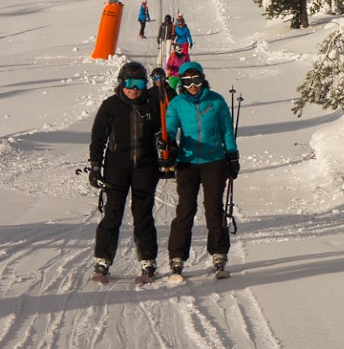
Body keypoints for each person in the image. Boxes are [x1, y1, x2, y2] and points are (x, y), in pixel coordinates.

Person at [163, 61, 239, 277]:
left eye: (196, 80)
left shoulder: (216, 101)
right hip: (187, 162)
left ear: (203, 79)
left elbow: (226, 130)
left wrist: (232, 155)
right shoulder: (177, 103)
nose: (192, 85)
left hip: (214, 160)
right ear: (182, 83)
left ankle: (219, 253)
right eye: (187, 81)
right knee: (185, 209)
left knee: (214, 207)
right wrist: (166, 141)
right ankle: (177, 256)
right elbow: (170, 126)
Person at [87, 61, 162, 280]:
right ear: (121, 82)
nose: (133, 88)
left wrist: (167, 149)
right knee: (112, 212)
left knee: (143, 214)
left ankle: (148, 261)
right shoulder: (110, 105)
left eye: (139, 83)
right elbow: (98, 139)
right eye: (129, 82)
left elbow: (163, 133)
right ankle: (103, 260)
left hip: (145, 166)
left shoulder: (153, 104)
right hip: (117, 167)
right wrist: (95, 167)